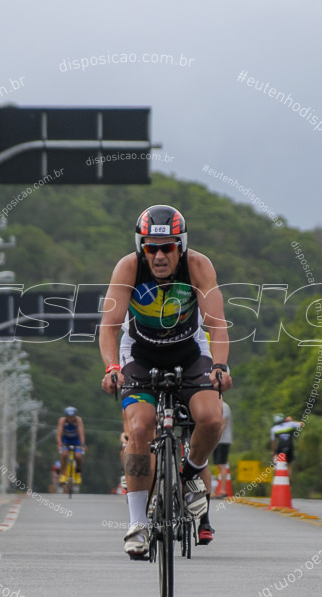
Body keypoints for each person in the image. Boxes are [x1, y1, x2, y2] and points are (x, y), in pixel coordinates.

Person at [98, 204, 232, 558]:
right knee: (140, 428)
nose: (159, 255)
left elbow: (217, 323)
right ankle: (138, 523)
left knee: (212, 417)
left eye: (168, 247)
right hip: (140, 352)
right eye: (151, 247)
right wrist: (112, 368)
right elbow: (109, 326)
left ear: (181, 246)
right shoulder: (129, 267)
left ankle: (191, 471)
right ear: (141, 246)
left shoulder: (198, 266)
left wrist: (220, 366)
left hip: (189, 349)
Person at [56, 407, 86, 487]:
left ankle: (78, 473)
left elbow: (81, 433)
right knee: (64, 454)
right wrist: (59, 443)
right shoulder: (62, 421)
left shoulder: (78, 420)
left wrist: (82, 444)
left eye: (72, 417)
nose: (70, 419)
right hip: (66, 440)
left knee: (78, 457)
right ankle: (63, 474)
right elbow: (59, 433)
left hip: (76, 440)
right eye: (69, 417)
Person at [212, 400, 232, 496]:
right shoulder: (215, 405)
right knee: (218, 464)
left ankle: (223, 490)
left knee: (221, 464)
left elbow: (222, 422)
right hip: (217, 440)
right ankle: (219, 489)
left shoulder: (224, 406)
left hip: (223, 440)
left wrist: (216, 436)